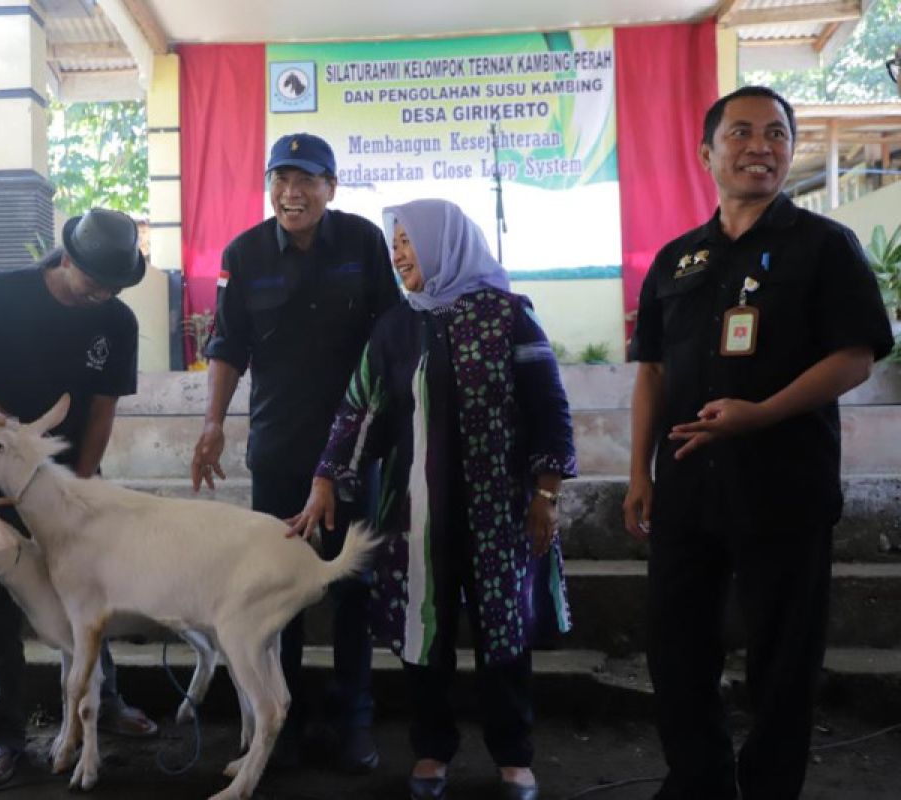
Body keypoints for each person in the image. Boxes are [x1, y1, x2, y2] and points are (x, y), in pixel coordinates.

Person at [623, 86, 894, 800]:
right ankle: (699, 781)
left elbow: (857, 355)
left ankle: (770, 788)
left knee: (782, 656)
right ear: (706, 152)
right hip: (684, 486)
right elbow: (650, 370)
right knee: (677, 648)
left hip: (785, 487)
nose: (760, 147)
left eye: (776, 134)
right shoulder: (677, 261)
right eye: (741, 133)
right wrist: (638, 473)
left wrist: (762, 412)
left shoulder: (824, 247)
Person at [288, 198, 575, 800]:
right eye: (394, 243)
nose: (398, 253)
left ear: (446, 242)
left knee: (504, 635)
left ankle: (514, 757)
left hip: (501, 513)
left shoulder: (508, 316)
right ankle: (432, 750)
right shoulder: (396, 326)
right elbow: (360, 408)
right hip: (418, 514)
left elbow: (550, 407)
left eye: (408, 240)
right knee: (426, 633)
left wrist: (545, 492)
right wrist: (326, 477)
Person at [191, 132, 401, 771]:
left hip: (356, 448)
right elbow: (228, 346)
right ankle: (277, 721)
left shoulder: (363, 242)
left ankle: (352, 718)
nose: (292, 191)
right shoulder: (245, 253)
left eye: (307, 179)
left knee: (351, 589)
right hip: (278, 451)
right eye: (281, 178)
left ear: (331, 187)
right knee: (271, 589)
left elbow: (393, 336)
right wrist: (213, 425)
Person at [0, 208, 155, 786]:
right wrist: (6, 433)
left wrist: (85, 479)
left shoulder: (115, 320)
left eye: (114, 286)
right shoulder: (0, 295)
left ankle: (105, 701)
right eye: (95, 282)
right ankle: (1, 733)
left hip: (68, 482)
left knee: (88, 589)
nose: (103, 295)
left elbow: (103, 404)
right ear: (67, 259)